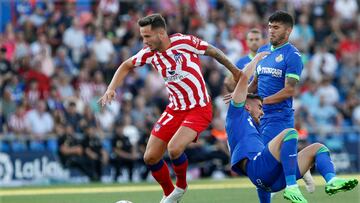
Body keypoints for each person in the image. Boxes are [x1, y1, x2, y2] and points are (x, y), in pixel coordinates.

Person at [98, 13, 241, 203]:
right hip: (175, 109)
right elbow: (125, 65)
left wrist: (235, 71)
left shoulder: (184, 42)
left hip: (199, 107)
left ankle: (181, 187)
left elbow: (213, 51)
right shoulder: (149, 53)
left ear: (161, 34)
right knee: (150, 157)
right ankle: (169, 194)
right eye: (142, 36)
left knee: (174, 149)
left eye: (147, 36)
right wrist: (111, 88)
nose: (144, 41)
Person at [225, 51, 358, 203]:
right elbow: (242, 79)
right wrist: (256, 59)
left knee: (318, 148)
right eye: (260, 107)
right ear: (247, 105)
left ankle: (331, 180)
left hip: (272, 180)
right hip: (258, 171)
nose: (262, 112)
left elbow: (274, 159)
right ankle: (292, 186)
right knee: (290, 133)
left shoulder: (255, 129)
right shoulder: (236, 115)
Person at [247, 11, 315, 192]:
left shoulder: (292, 55)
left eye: (276, 27)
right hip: (259, 116)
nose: (271, 31)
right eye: (269, 27)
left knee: (265, 168)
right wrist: (241, 97)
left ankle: (297, 168)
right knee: (262, 168)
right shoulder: (262, 51)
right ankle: (298, 163)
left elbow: (289, 90)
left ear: (288, 30)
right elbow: (255, 83)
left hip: (278, 117)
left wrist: (262, 101)